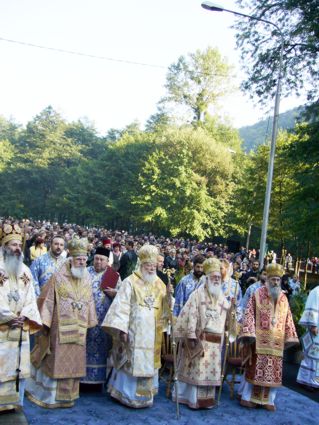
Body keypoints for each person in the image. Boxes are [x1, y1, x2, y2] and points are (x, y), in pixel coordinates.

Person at [26, 236, 97, 408]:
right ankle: (51, 398)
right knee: (56, 359)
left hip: (79, 328)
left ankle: (69, 397)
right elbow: (48, 300)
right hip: (60, 328)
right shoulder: (58, 277)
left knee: (74, 362)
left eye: (84, 259)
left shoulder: (86, 278)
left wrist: (90, 320)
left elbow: (89, 301)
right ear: (71, 259)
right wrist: (45, 323)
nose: (81, 262)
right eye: (78, 259)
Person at [102, 244, 169, 408]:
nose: (151, 269)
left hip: (153, 333)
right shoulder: (129, 282)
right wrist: (122, 329)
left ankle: (145, 397)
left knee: (148, 364)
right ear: (142, 264)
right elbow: (121, 306)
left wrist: (169, 300)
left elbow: (165, 309)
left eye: (154, 266)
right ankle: (125, 394)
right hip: (133, 331)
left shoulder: (160, 284)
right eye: (148, 265)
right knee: (130, 361)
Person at [239, 263, 298, 411]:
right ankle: (249, 398)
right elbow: (249, 315)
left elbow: (288, 318)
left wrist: (290, 335)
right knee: (255, 369)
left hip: (276, 343)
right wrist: (249, 333)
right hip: (259, 341)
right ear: (268, 279)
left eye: (278, 280)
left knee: (273, 372)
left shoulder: (283, 298)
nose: (275, 282)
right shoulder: (257, 294)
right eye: (273, 279)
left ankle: (268, 400)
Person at [173, 258, 230, 409]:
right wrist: (191, 335)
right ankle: (192, 399)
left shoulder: (222, 297)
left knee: (210, 372)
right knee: (196, 371)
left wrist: (233, 309)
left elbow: (228, 319)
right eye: (214, 277)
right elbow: (191, 314)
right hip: (200, 340)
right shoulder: (197, 294)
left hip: (216, 342)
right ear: (207, 278)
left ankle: (208, 400)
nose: (216, 280)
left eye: (218, 277)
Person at [0, 223, 42, 412]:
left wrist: (24, 316)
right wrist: (7, 317)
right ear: (4, 246)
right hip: (3, 328)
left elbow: (31, 298)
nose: (17, 249)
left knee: (17, 367)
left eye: (19, 245)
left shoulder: (25, 270)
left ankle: (13, 403)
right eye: (13, 245)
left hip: (20, 329)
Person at [82, 247, 120, 386]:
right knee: (84, 348)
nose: (98, 262)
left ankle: (98, 381)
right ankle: (81, 379)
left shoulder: (114, 276)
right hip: (85, 319)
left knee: (101, 349)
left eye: (101, 259)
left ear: (107, 261)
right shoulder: (85, 272)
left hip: (104, 320)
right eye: (96, 259)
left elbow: (122, 296)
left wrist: (116, 294)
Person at [297, 285, 319, 391]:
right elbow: (311, 307)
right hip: (315, 328)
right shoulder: (316, 291)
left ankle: (315, 381)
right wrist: (313, 325)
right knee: (311, 355)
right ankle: (306, 380)